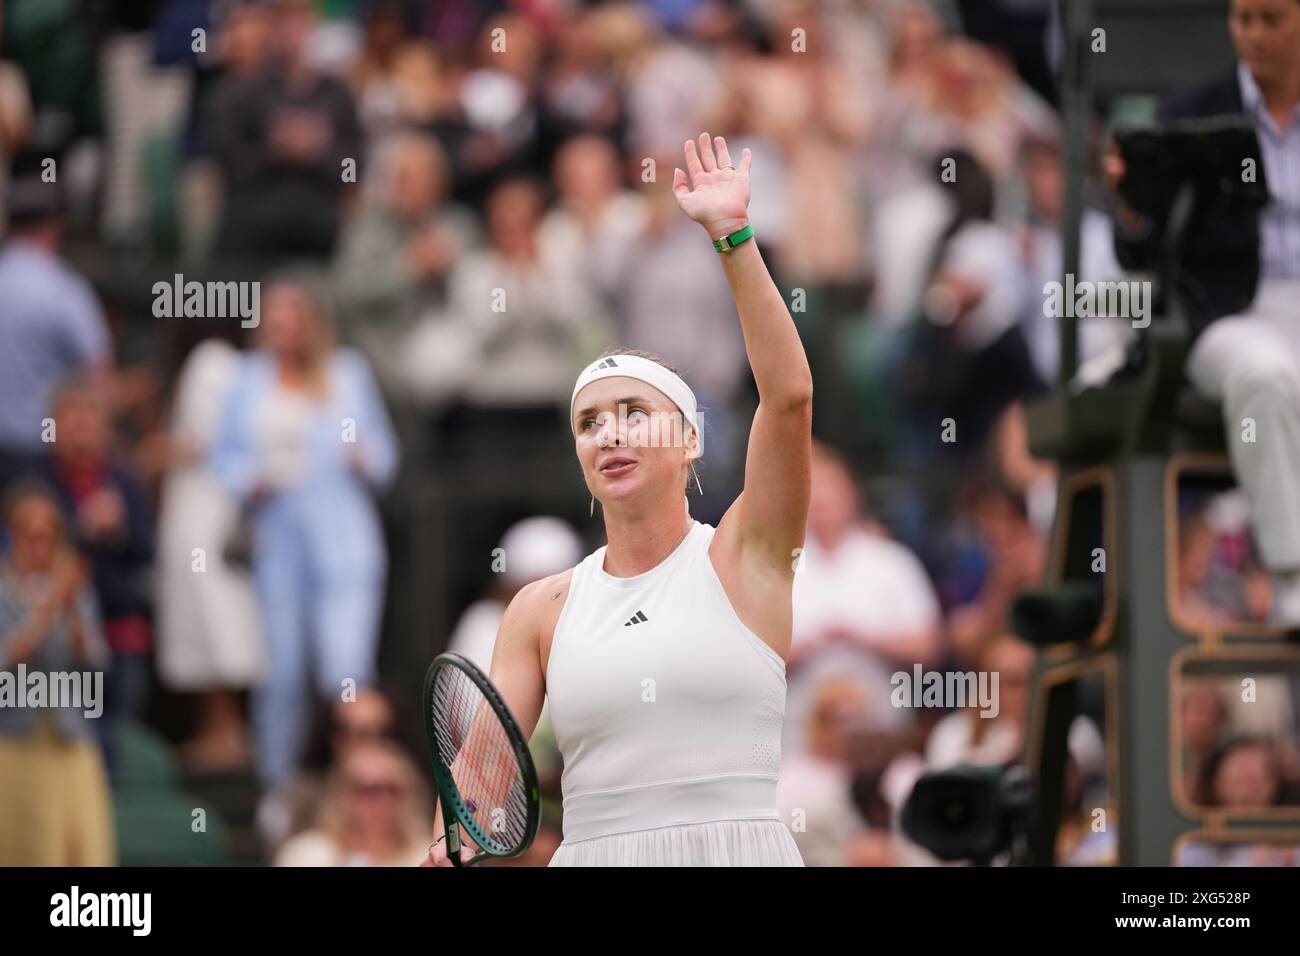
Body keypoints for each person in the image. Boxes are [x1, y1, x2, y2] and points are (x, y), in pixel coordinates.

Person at [425, 133, 812, 867]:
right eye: (590, 422)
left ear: (691, 439)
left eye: (635, 411)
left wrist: (732, 237)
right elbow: (476, 788)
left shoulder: (747, 554)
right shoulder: (539, 610)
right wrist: (448, 843)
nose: (611, 433)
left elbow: (789, 398)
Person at [1110, 0, 1300, 628]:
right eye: (1243, 19)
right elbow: (1142, 249)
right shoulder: (1190, 112)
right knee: (1264, 376)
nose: (1254, 35)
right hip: (1230, 312)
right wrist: (1132, 209)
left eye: (1271, 19)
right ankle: (1292, 575)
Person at [211, 276, 399, 786]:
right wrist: (246, 481)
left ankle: (362, 783)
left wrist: (364, 457)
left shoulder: (346, 371)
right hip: (277, 542)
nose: (281, 330)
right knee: (282, 674)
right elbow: (224, 457)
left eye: (290, 318)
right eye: (272, 320)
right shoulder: (247, 378)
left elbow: (385, 454)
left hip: (344, 540)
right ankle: (279, 791)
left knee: (347, 670)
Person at [155, 337, 265, 770]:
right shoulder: (217, 362)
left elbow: (205, 440)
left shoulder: (211, 360)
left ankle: (230, 732)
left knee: (217, 622)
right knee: (203, 625)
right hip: (199, 508)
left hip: (206, 511)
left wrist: (150, 453)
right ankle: (215, 731)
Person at [0, 481, 115, 865]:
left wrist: (72, 612)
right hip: (14, 741)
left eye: (46, 534)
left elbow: (96, 665)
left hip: (70, 735)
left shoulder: (75, 591)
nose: (39, 545)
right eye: (29, 534)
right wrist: (48, 609)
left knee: (83, 845)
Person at [274, 739, 431, 867]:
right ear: (343, 794)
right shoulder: (307, 854)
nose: (383, 801)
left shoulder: (427, 856)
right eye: (369, 790)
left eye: (392, 790)